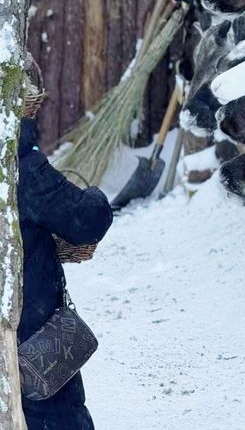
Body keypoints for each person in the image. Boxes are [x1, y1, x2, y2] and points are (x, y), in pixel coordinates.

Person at [17, 60, 113, 430]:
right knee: (55, 413)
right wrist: (94, 196)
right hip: (30, 331)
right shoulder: (19, 165)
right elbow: (85, 221)